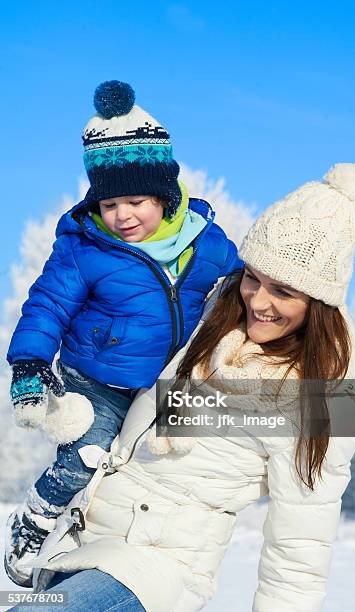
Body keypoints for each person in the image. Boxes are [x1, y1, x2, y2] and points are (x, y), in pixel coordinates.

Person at [12, 163, 355, 612]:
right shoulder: (213, 314)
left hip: (151, 570)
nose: (259, 302)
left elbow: (300, 546)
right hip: (75, 546)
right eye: (254, 278)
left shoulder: (325, 394)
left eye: (283, 291)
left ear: (319, 300)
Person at [5, 80, 241, 587]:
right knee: (87, 453)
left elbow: (245, 282)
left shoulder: (205, 243)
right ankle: (35, 522)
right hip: (95, 377)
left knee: (157, 466)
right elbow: (47, 303)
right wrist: (28, 363)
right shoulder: (85, 248)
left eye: (136, 201)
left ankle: (113, 542)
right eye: (110, 205)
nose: (123, 216)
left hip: (162, 385)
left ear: (163, 195)